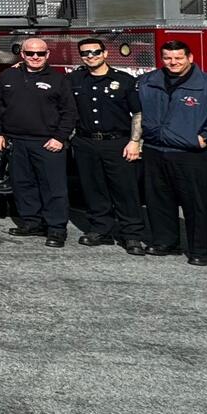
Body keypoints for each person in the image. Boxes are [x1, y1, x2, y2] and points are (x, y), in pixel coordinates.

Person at [136, 40, 207, 267]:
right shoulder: (148, 82)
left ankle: (198, 251)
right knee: (158, 201)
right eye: (167, 58)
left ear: (190, 58)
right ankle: (165, 242)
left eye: (178, 58)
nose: (173, 62)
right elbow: (135, 110)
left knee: (194, 204)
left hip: (191, 155)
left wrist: (204, 137)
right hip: (155, 150)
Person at [0, 37, 78, 246]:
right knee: (23, 184)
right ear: (22, 54)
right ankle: (31, 222)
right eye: (30, 53)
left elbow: (69, 112)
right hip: (17, 141)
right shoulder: (9, 75)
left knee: (53, 187)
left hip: (48, 143)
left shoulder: (59, 79)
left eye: (40, 53)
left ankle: (56, 228)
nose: (35, 57)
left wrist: (60, 138)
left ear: (47, 55)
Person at [68, 38, 146, 253]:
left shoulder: (124, 81)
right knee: (93, 188)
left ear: (104, 53)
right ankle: (100, 229)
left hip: (118, 142)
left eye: (95, 52)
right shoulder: (74, 79)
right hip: (85, 142)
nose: (90, 56)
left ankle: (131, 235)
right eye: (85, 53)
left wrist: (135, 142)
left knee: (125, 190)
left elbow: (137, 113)